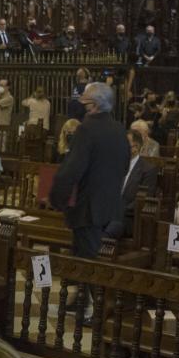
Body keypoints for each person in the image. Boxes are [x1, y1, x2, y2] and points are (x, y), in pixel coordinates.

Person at [49, 83, 128, 264]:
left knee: (87, 266)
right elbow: (124, 166)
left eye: (85, 103)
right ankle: (87, 292)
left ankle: (88, 292)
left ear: (94, 105)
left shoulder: (86, 129)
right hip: (111, 208)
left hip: (88, 210)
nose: (82, 107)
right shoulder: (119, 129)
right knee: (95, 264)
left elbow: (72, 169)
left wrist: (57, 199)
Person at [105, 124, 160, 239]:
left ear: (136, 147)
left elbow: (143, 199)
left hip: (129, 217)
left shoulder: (148, 170)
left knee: (110, 228)